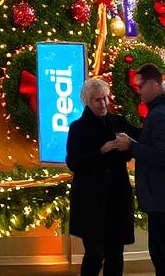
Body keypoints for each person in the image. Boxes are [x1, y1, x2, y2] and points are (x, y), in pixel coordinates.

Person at [116, 63, 165, 276]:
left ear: (153, 84)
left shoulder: (161, 114)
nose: (138, 91)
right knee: (164, 252)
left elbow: (163, 155)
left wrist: (131, 146)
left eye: (140, 86)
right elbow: (153, 142)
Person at [64, 76, 137, 276]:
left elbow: (138, 141)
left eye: (105, 97)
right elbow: (73, 162)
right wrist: (100, 152)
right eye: (98, 99)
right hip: (91, 201)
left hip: (117, 198)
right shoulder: (77, 128)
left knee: (115, 254)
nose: (104, 103)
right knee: (94, 254)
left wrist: (128, 145)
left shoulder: (118, 122)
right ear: (88, 101)